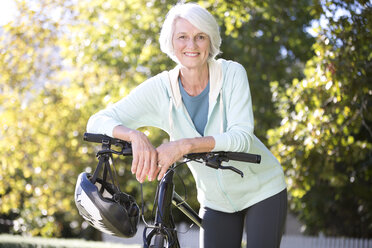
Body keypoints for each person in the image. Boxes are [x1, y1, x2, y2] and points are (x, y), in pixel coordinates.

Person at [87, 2, 287, 247]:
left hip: (262, 190)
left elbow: (242, 137)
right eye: (182, 37)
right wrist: (135, 136)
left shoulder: (232, 74)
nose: (191, 45)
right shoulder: (161, 89)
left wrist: (183, 146)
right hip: (216, 203)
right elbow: (96, 121)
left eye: (200, 37)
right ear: (171, 42)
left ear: (210, 41)